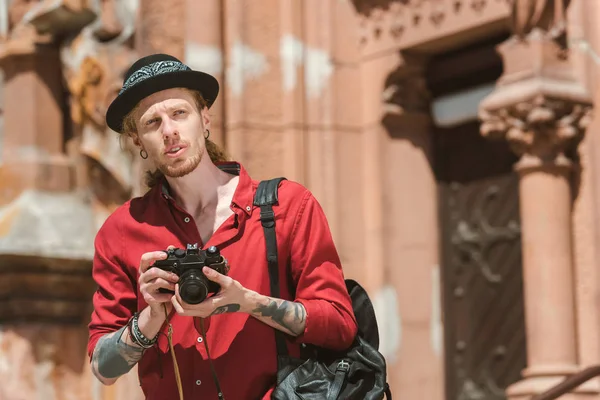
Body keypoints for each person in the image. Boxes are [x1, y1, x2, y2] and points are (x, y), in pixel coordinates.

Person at [87, 53, 358, 400]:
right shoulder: (121, 230)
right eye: (152, 123)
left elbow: (340, 326)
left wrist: (247, 301)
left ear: (204, 118)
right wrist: (149, 319)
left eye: (179, 114)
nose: (169, 131)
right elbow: (102, 369)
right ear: (138, 140)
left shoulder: (288, 206)